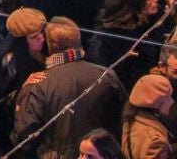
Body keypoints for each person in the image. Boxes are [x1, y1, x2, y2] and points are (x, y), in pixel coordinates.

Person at [13, 18, 121, 159]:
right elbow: (123, 121)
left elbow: (24, 137)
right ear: (78, 39)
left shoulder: (37, 84)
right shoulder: (106, 75)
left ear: (49, 45)